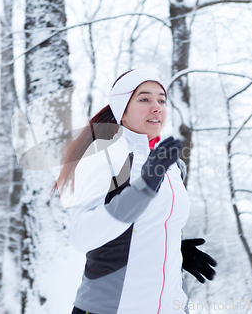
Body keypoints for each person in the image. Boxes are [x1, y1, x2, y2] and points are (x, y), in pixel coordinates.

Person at [51, 69, 216, 314]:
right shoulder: (105, 156)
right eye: (144, 99)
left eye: (161, 100)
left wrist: (173, 247)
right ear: (122, 110)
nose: (156, 107)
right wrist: (144, 188)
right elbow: (82, 236)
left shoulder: (172, 165)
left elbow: (140, 227)